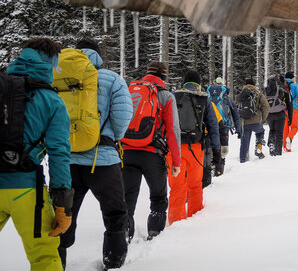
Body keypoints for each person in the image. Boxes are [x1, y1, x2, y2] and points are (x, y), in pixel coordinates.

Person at [58, 39, 133, 270]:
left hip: (66, 160)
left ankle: (56, 259)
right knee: (114, 212)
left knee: (62, 213)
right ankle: (113, 260)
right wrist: (111, 137)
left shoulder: (60, 77)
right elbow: (122, 116)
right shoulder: (112, 79)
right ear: (98, 56)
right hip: (102, 159)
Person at [0, 38, 73, 271]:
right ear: (50, 62)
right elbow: (59, 154)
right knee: (44, 257)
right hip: (27, 190)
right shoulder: (52, 101)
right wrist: (63, 207)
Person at [121, 62, 181, 242]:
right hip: (153, 154)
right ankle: (154, 233)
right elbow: (172, 130)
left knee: (127, 198)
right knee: (158, 196)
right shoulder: (166, 96)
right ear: (164, 76)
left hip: (127, 151)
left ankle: (123, 233)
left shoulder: (130, 91)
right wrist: (176, 162)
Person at [167, 70, 221, 225]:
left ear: (184, 82)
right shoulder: (204, 99)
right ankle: (194, 220)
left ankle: (175, 222)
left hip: (174, 148)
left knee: (177, 187)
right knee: (195, 185)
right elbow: (213, 126)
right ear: (198, 84)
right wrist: (216, 150)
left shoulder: (173, 96)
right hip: (196, 148)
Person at [207, 76, 242, 175]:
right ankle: (219, 171)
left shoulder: (208, 96)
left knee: (211, 147)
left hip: (210, 126)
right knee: (223, 148)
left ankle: (210, 169)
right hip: (224, 127)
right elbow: (235, 113)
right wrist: (238, 129)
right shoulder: (227, 98)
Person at [237, 78, 270, 162]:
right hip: (256, 121)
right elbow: (266, 106)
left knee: (244, 142)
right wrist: (263, 118)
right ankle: (258, 146)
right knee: (260, 132)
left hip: (244, 122)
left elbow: (236, 106)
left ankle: (243, 159)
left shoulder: (241, 94)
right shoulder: (258, 94)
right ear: (254, 85)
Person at [264, 74, 293, 156]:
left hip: (269, 114)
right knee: (279, 133)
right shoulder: (283, 89)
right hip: (280, 113)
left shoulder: (266, 89)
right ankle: (278, 153)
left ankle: (271, 144)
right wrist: (290, 118)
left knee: (272, 130)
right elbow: (289, 104)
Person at [282, 72, 298, 152]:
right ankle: (290, 138)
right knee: (294, 127)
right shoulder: (295, 86)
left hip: (283, 110)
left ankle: (285, 147)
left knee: (285, 128)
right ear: (291, 78)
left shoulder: (281, 85)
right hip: (292, 109)